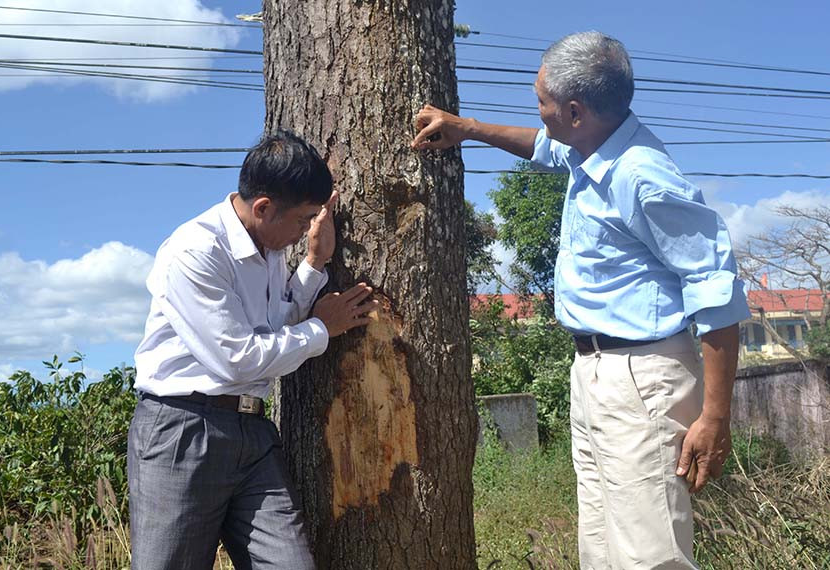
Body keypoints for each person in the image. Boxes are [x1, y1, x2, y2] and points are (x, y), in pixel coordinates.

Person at [412, 31, 750, 569]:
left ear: (575, 111)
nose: (538, 112)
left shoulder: (642, 177)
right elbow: (540, 145)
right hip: (593, 371)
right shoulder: (590, 146)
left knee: (649, 555)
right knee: (599, 548)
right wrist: (467, 129)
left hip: (643, 376)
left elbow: (716, 291)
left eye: (542, 103)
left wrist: (715, 416)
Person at [128, 130, 378, 570]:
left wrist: (314, 265)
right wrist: (322, 328)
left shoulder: (268, 247)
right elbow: (237, 358)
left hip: (253, 432)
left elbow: (272, 327)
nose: (305, 230)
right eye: (303, 220)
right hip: (183, 431)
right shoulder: (195, 251)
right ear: (263, 207)